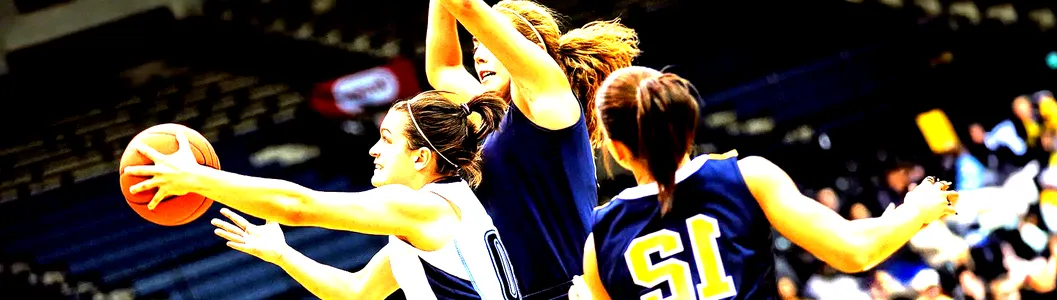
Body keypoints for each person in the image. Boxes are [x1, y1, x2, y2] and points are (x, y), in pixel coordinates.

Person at [568, 67, 960, 300]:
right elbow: (854, 251)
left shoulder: (599, 238)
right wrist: (916, 210)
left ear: (617, 150)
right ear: (688, 129)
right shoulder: (746, 176)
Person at [123, 91, 522, 299]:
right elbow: (356, 294)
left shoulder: (423, 208)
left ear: (420, 158)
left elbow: (300, 206)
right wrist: (282, 255)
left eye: (386, 140)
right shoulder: (435, 214)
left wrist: (196, 178)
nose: (373, 150)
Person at [425, 0, 639, 297]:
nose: (478, 56)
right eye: (474, 46)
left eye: (486, 42)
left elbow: (465, 6)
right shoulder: (496, 115)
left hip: (577, 290)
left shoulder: (547, 98)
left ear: (520, 46)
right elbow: (443, 68)